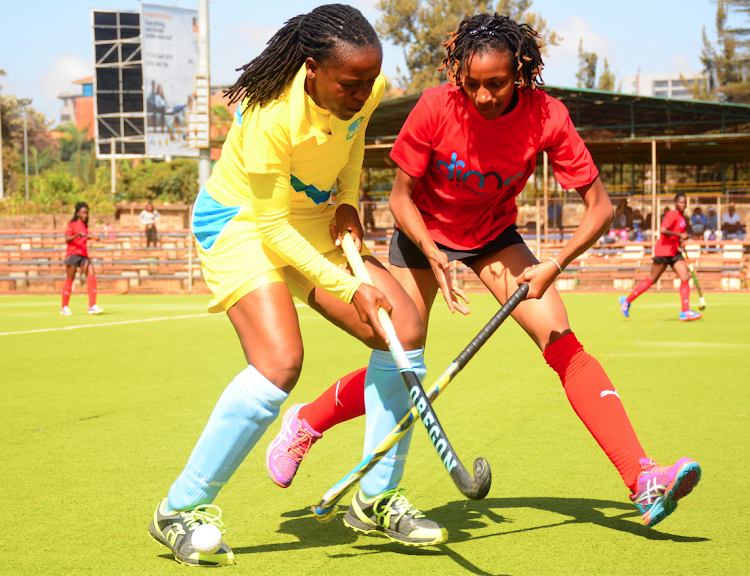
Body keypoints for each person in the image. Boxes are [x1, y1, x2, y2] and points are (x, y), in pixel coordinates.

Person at [266, 12, 701, 534]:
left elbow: (600, 208)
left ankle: (642, 478)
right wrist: (432, 253)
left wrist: (552, 265)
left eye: (495, 84)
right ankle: (307, 422)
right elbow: (400, 196)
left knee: (562, 341)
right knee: (401, 358)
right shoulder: (435, 106)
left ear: (521, 73)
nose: (483, 97)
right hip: (421, 235)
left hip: (493, 237)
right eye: (471, 84)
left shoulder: (547, 116)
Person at [147, 6, 446, 568]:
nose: (363, 93)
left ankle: (377, 498)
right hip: (241, 222)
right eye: (349, 84)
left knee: (403, 328)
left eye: (367, 82)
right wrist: (349, 285)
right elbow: (270, 229)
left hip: (309, 217)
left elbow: (353, 142)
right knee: (280, 361)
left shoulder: (367, 84)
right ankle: (180, 509)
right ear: (312, 69)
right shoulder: (268, 113)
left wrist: (351, 201)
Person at [620, 193, 702, 321]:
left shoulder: (682, 218)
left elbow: (675, 235)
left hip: (674, 252)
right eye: (681, 202)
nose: (683, 205)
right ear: (675, 203)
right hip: (663, 251)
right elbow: (663, 230)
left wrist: (681, 242)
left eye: (685, 202)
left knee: (685, 276)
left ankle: (685, 311)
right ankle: (627, 301)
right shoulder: (672, 214)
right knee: (652, 279)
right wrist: (680, 236)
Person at [61, 202, 103, 316]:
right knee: (70, 279)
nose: (85, 215)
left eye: (87, 213)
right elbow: (67, 239)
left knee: (91, 275)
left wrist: (92, 237)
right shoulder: (72, 224)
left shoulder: (84, 226)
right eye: (83, 213)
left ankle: (92, 306)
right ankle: (64, 306)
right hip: (73, 254)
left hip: (83, 255)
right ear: (78, 213)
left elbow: (84, 236)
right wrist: (76, 235)